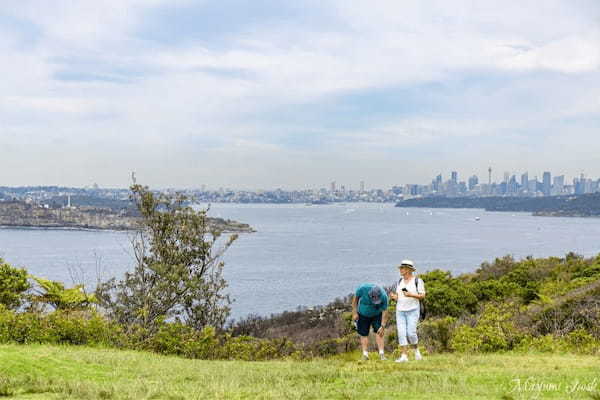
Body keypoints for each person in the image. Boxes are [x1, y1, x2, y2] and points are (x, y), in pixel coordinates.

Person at [389, 260, 426, 363]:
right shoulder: (399, 282)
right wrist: (394, 297)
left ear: (409, 270)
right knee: (401, 333)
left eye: (402, 268)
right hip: (400, 310)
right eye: (400, 268)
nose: (400, 270)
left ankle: (416, 351)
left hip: (413, 310)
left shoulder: (418, 281)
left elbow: (422, 295)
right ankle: (404, 356)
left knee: (411, 333)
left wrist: (411, 295)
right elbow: (399, 297)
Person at [352, 283, 389, 360]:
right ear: (370, 294)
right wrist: (354, 313)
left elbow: (385, 311)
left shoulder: (384, 297)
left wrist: (383, 326)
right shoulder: (362, 289)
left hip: (377, 314)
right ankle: (365, 355)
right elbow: (355, 300)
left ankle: (382, 355)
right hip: (363, 314)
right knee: (363, 334)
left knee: (380, 332)